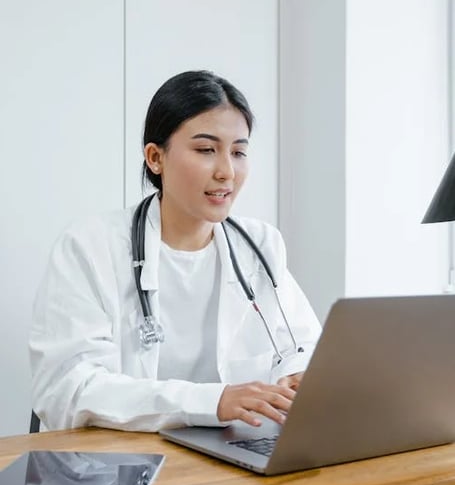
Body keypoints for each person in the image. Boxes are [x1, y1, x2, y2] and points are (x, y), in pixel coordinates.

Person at [29, 70, 321, 432]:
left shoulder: (260, 246)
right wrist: (211, 402)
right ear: (155, 157)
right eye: (206, 150)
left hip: (231, 453)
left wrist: (298, 377)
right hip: (115, 467)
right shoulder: (89, 247)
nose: (227, 171)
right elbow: (68, 391)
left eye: (239, 152)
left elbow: (301, 346)